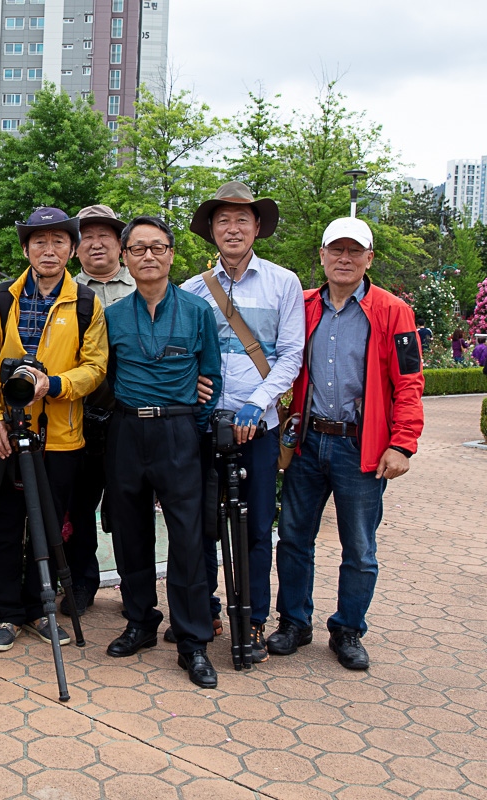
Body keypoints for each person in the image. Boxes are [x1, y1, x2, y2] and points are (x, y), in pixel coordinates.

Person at [269, 217, 424, 671]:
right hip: (307, 441)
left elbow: (410, 381)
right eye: (336, 249)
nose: (344, 258)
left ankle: (348, 630)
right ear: (322, 255)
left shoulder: (394, 311)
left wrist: (403, 443)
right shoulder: (303, 305)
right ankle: (294, 622)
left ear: (368, 259)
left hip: (362, 448)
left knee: (359, 548)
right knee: (294, 538)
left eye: (354, 251)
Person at [0, 207, 108, 652]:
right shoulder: (1, 299)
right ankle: (7, 614)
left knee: (48, 526)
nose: (49, 250)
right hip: (8, 433)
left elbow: (96, 367)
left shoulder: (85, 302)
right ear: (26, 248)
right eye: (39, 242)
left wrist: (55, 385)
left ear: (72, 249)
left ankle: (37, 609)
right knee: (5, 526)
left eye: (58, 241)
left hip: (62, 437)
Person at [180, 181, 305, 661]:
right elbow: (184, 355)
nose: (232, 229)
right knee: (200, 524)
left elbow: (291, 353)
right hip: (205, 426)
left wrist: (259, 401)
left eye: (242, 220)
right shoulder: (193, 289)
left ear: (256, 227)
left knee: (255, 529)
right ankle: (207, 610)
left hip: (260, 427)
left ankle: (252, 620)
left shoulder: (283, 282)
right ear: (211, 229)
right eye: (223, 221)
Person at [102, 216, 222, 688]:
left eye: (157, 247)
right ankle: (140, 622)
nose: (148, 256)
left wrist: (189, 424)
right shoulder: (113, 316)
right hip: (127, 431)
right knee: (129, 531)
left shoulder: (197, 311)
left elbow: (211, 377)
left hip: (179, 433)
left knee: (187, 539)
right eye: (138, 248)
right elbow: (108, 376)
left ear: (171, 254)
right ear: (125, 258)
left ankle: (193, 642)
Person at [60, 204, 133, 616]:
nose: (96, 243)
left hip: (128, 418)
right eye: (86, 236)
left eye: (104, 234)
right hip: (79, 416)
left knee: (128, 507)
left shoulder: (142, 283)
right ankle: (82, 581)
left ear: (120, 243)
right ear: (76, 246)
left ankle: (134, 586)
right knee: (79, 507)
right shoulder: (66, 291)